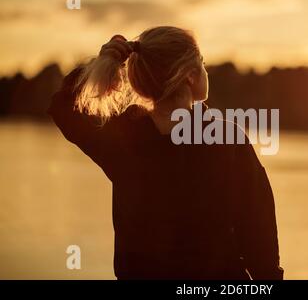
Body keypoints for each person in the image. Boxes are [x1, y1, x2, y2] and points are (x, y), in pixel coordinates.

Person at [47, 26, 283, 280]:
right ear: (190, 76)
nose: (205, 70)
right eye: (202, 63)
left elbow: (62, 108)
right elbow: (259, 235)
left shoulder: (124, 137)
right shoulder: (225, 139)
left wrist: (103, 61)